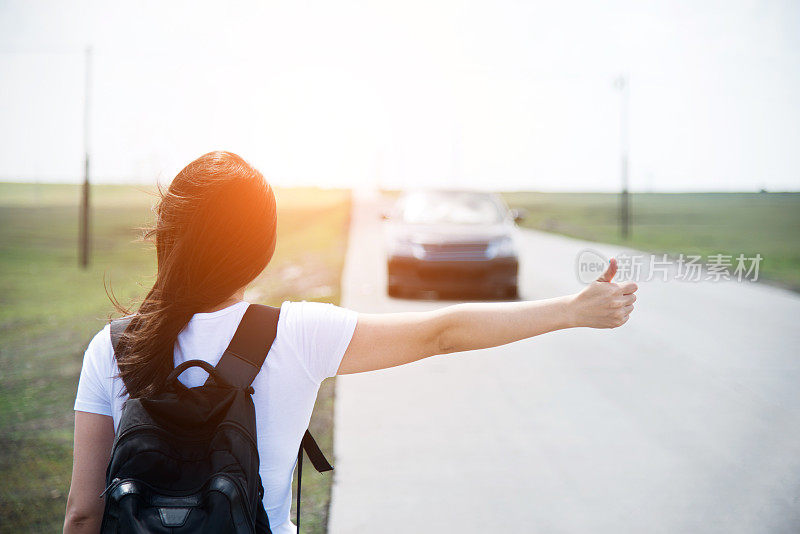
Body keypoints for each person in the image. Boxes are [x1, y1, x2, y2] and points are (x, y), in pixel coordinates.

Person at [63, 151, 637, 534]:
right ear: (261, 247)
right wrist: (572, 310)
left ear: (169, 234)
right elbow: (444, 332)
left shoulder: (112, 348)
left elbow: (84, 515)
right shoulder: (294, 334)